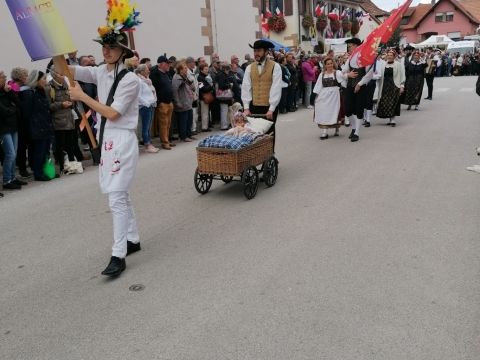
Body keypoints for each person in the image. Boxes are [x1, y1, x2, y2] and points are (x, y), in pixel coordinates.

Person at [66, 7, 142, 277]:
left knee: (117, 198)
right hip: (106, 139)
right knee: (120, 194)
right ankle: (133, 239)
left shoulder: (131, 80)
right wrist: (55, 57)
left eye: (112, 46)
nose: (106, 51)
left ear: (123, 51)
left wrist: (82, 97)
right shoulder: (99, 72)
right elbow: (67, 71)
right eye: (104, 46)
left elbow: (112, 112)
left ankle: (118, 254)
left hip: (121, 140)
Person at [241, 39, 282, 150]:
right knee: (253, 133)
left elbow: (276, 88)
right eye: (255, 51)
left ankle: (269, 155)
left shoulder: (275, 66)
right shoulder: (249, 68)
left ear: (266, 52)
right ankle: (257, 156)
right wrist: (246, 107)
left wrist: (272, 108)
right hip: (254, 105)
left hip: (269, 106)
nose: (256, 54)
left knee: (269, 133)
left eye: (259, 51)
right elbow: (246, 88)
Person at [21, 70, 54, 181]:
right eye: (43, 79)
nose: (45, 81)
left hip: (45, 125)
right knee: (39, 152)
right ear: (36, 80)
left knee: (45, 151)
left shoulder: (41, 91)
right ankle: (38, 174)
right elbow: (27, 114)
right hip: (37, 128)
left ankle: (47, 172)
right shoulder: (29, 93)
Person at [46, 66, 77, 174]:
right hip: (58, 120)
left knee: (71, 143)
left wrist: (72, 102)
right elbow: (48, 105)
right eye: (60, 74)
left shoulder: (66, 85)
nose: (63, 76)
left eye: (63, 74)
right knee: (60, 145)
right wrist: (61, 104)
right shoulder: (50, 88)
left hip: (69, 119)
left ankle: (72, 164)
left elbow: (72, 98)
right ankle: (62, 167)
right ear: (54, 75)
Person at [342, 38, 374, 142]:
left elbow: (370, 74)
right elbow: (343, 73)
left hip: (361, 87)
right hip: (349, 86)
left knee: (359, 109)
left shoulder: (365, 57)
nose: (348, 48)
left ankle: (356, 132)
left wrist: (360, 84)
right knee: (348, 110)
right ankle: (354, 127)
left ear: (357, 46)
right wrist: (348, 75)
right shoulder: (349, 59)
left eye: (350, 46)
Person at [0, 69, 27, 190]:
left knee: (14, 154)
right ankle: (6, 180)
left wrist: (9, 92)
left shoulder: (6, 91)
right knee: (10, 154)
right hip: (3, 128)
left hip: (13, 126)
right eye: (2, 76)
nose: (5, 77)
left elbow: (19, 103)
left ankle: (12, 177)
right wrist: (13, 110)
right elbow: (3, 112)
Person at [313, 57, 346, 140]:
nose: (330, 65)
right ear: (325, 65)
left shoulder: (337, 73)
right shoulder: (322, 74)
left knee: (334, 112)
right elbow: (318, 85)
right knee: (324, 112)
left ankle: (337, 128)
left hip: (334, 95)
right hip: (324, 95)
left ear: (333, 64)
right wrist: (316, 96)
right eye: (328, 64)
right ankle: (325, 132)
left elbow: (343, 81)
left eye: (331, 63)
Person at [150, 56, 175, 150]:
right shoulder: (155, 74)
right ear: (161, 64)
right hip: (162, 103)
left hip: (169, 102)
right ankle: (165, 142)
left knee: (168, 123)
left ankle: (167, 140)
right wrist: (159, 102)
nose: (168, 65)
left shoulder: (167, 73)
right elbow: (154, 89)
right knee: (163, 124)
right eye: (166, 63)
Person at [12, 67, 33, 178]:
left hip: (25, 121)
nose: (27, 77)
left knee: (26, 145)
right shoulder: (15, 89)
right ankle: (22, 168)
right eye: (25, 75)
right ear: (20, 77)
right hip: (20, 123)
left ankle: (27, 166)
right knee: (21, 147)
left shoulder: (24, 89)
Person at [376, 49, 406, 127]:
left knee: (393, 102)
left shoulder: (398, 64)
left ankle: (393, 119)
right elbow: (380, 75)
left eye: (391, 55)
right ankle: (390, 118)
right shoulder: (383, 65)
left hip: (394, 86)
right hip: (385, 87)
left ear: (394, 56)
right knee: (386, 102)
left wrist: (402, 86)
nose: (389, 57)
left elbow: (402, 75)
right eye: (388, 55)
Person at [135, 64, 159, 153]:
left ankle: (149, 143)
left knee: (148, 127)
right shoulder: (139, 81)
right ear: (141, 72)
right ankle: (147, 144)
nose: (149, 71)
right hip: (145, 106)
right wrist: (147, 103)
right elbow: (138, 95)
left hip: (151, 104)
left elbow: (151, 91)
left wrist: (152, 101)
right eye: (147, 70)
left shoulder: (147, 80)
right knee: (146, 127)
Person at [172, 61, 196, 142]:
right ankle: (183, 136)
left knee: (189, 120)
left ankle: (189, 134)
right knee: (183, 121)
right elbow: (175, 91)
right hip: (182, 103)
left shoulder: (185, 76)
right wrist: (177, 102)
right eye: (185, 68)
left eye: (186, 68)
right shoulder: (176, 78)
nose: (186, 69)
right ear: (180, 70)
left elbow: (192, 87)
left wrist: (191, 83)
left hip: (188, 102)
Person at [197, 63, 214, 132]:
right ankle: (204, 127)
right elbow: (202, 89)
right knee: (204, 113)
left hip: (205, 97)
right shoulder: (200, 78)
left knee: (206, 112)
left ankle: (206, 126)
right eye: (205, 69)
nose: (207, 71)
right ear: (201, 70)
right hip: (203, 97)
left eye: (207, 69)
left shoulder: (203, 77)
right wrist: (210, 86)